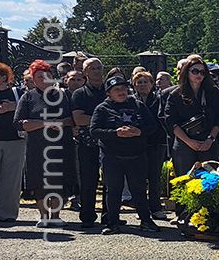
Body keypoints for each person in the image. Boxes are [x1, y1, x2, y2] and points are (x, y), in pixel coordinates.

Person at [90, 75, 160, 234]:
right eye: (116, 90)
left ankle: (146, 221)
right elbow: (94, 131)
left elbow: (153, 126)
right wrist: (115, 133)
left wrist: (139, 131)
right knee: (114, 190)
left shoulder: (138, 105)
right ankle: (112, 223)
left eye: (123, 89)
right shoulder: (102, 108)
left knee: (139, 190)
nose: (121, 92)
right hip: (112, 157)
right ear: (109, 93)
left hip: (136, 156)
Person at [15, 60, 74, 226]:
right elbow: (20, 123)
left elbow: (71, 119)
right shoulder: (27, 97)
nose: (43, 79)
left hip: (60, 145)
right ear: (33, 80)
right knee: (39, 180)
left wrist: (60, 123)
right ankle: (43, 215)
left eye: (46, 75)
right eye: (39, 76)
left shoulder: (62, 95)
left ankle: (55, 216)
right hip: (37, 147)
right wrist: (45, 123)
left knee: (57, 180)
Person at [163, 54, 219, 177]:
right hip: (184, 144)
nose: (199, 75)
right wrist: (189, 142)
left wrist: (210, 139)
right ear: (187, 72)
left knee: (211, 181)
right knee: (185, 181)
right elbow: (171, 122)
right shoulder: (175, 94)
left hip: (208, 143)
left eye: (202, 72)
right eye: (195, 71)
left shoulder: (213, 92)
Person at [70, 58, 107, 229]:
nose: (96, 71)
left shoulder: (110, 90)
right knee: (88, 179)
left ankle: (109, 215)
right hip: (87, 142)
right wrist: (103, 120)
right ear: (85, 72)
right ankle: (87, 215)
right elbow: (78, 118)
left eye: (99, 68)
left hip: (109, 142)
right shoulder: (80, 93)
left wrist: (94, 120)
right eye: (92, 68)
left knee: (110, 180)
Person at [0, 62, 26, 222]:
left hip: (15, 141)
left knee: (12, 179)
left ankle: (7, 215)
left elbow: (30, 109)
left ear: (4, 77)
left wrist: (14, 107)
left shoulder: (18, 93)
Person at [132, 69, 169, 220]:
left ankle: (155, 208)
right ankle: (141, 209)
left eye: (145, 82)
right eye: (139, 82)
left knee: (154, 177)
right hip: (136, 144)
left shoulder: (159, 99)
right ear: (134, 85)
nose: (142, 85)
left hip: (156, 143)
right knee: (138, 178)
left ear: (152, 84)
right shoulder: (130, 101)